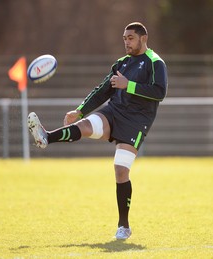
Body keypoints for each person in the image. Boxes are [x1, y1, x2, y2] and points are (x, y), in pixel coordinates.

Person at [28, 22, 168, 240]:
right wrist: (80, 111)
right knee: (83, 127)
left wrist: (128, 85)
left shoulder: (155, 62)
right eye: (124, 38)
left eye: (130, 38)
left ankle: (124, 225)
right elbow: (103, 90)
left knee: (121, 170)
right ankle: (46, 137)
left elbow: (159, 92)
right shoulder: (121, 63)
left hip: (137, 121)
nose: (126, 42)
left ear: (143, 38)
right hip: (113, 111)